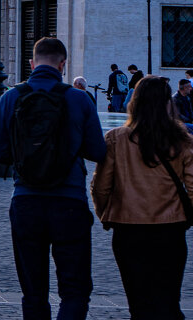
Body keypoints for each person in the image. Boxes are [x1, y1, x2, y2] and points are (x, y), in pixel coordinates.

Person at [0, 37, 106, 320]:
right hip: (69, 201)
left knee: (33, 291)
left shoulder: (10, 97)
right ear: (63, 65)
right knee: (75, 289)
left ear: (32, 64)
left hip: (26, 201)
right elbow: (97, 151)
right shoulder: (79, 99)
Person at [92, 75, 193, 319]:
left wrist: (105, 214)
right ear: (168, 104)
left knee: (138, 303)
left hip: (128, 228)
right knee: (168, 300)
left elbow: (101, 186)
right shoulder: (183, 141)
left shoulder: (116, 139)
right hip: (170, 228)